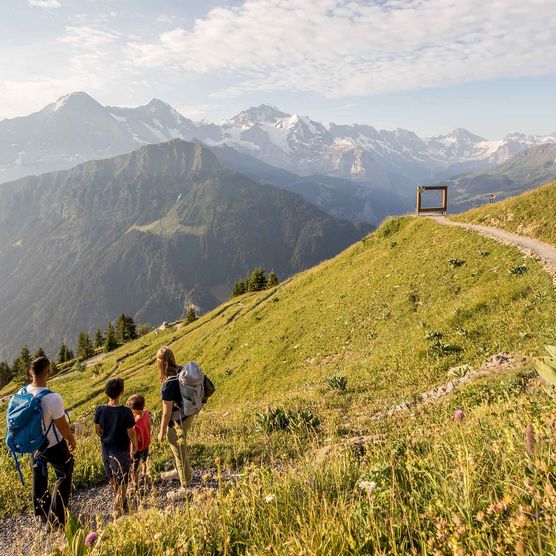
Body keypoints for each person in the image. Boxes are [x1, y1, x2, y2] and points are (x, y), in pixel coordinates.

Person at [27, 356, 76, 530]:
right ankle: (56, 520)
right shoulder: (52, 398)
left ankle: (42, 512)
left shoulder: (22, 393)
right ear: (48, 372)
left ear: (29, 373)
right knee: (64, 474)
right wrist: (71, 439)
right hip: (53, 444)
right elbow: (62, 427)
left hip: (32, 445)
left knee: (38, 475)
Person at [94, 378, 137, 516]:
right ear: (122, 393)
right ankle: (117, 508)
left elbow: (97, 430)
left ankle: (117, 496)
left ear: (106, 393)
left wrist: (104, 436)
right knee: (123, 480)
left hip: (106, 448)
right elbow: (131, 432)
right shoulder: (125, 412)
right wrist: (135, 445)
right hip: (121, 450)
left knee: (112, 476)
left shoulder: (100, 409)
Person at [157, 346, 194, 501]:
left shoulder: (167, 384)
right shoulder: (182, 370)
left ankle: (185, 487)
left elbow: (166, 413)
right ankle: (180, 473)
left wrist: (161, 431)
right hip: (188, 414)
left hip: (177, 421)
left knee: (179, 450)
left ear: (160, 364)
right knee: (179, 448)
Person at [126, 394, 151, 489]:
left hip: (139, 448)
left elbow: (134, 440)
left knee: (134, 467)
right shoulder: (146, 413)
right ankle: (144, 474)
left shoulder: (136, 424)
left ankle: (135, 484)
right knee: (144, 460)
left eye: (131, 409)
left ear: (135, 410)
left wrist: (132, 451)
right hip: (147, 443)